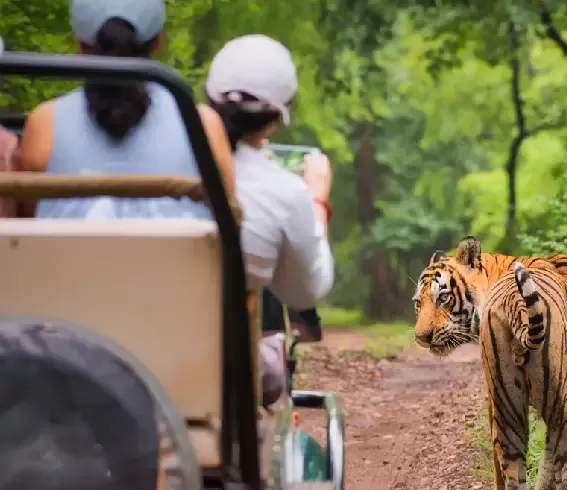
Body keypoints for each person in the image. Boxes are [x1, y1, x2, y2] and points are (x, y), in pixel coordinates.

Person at [204, 35, 335, 407]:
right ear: (277, 117)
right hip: (223, 382)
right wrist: (317, 201)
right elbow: (305, 290)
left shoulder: (153, 163)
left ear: (209, 97)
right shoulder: (282, 191)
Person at [13, 0, 235, 218]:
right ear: (158, 42)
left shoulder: (45, 124)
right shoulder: (202, 125)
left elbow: (30, 221)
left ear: (79, 44)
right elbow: (229, 221)